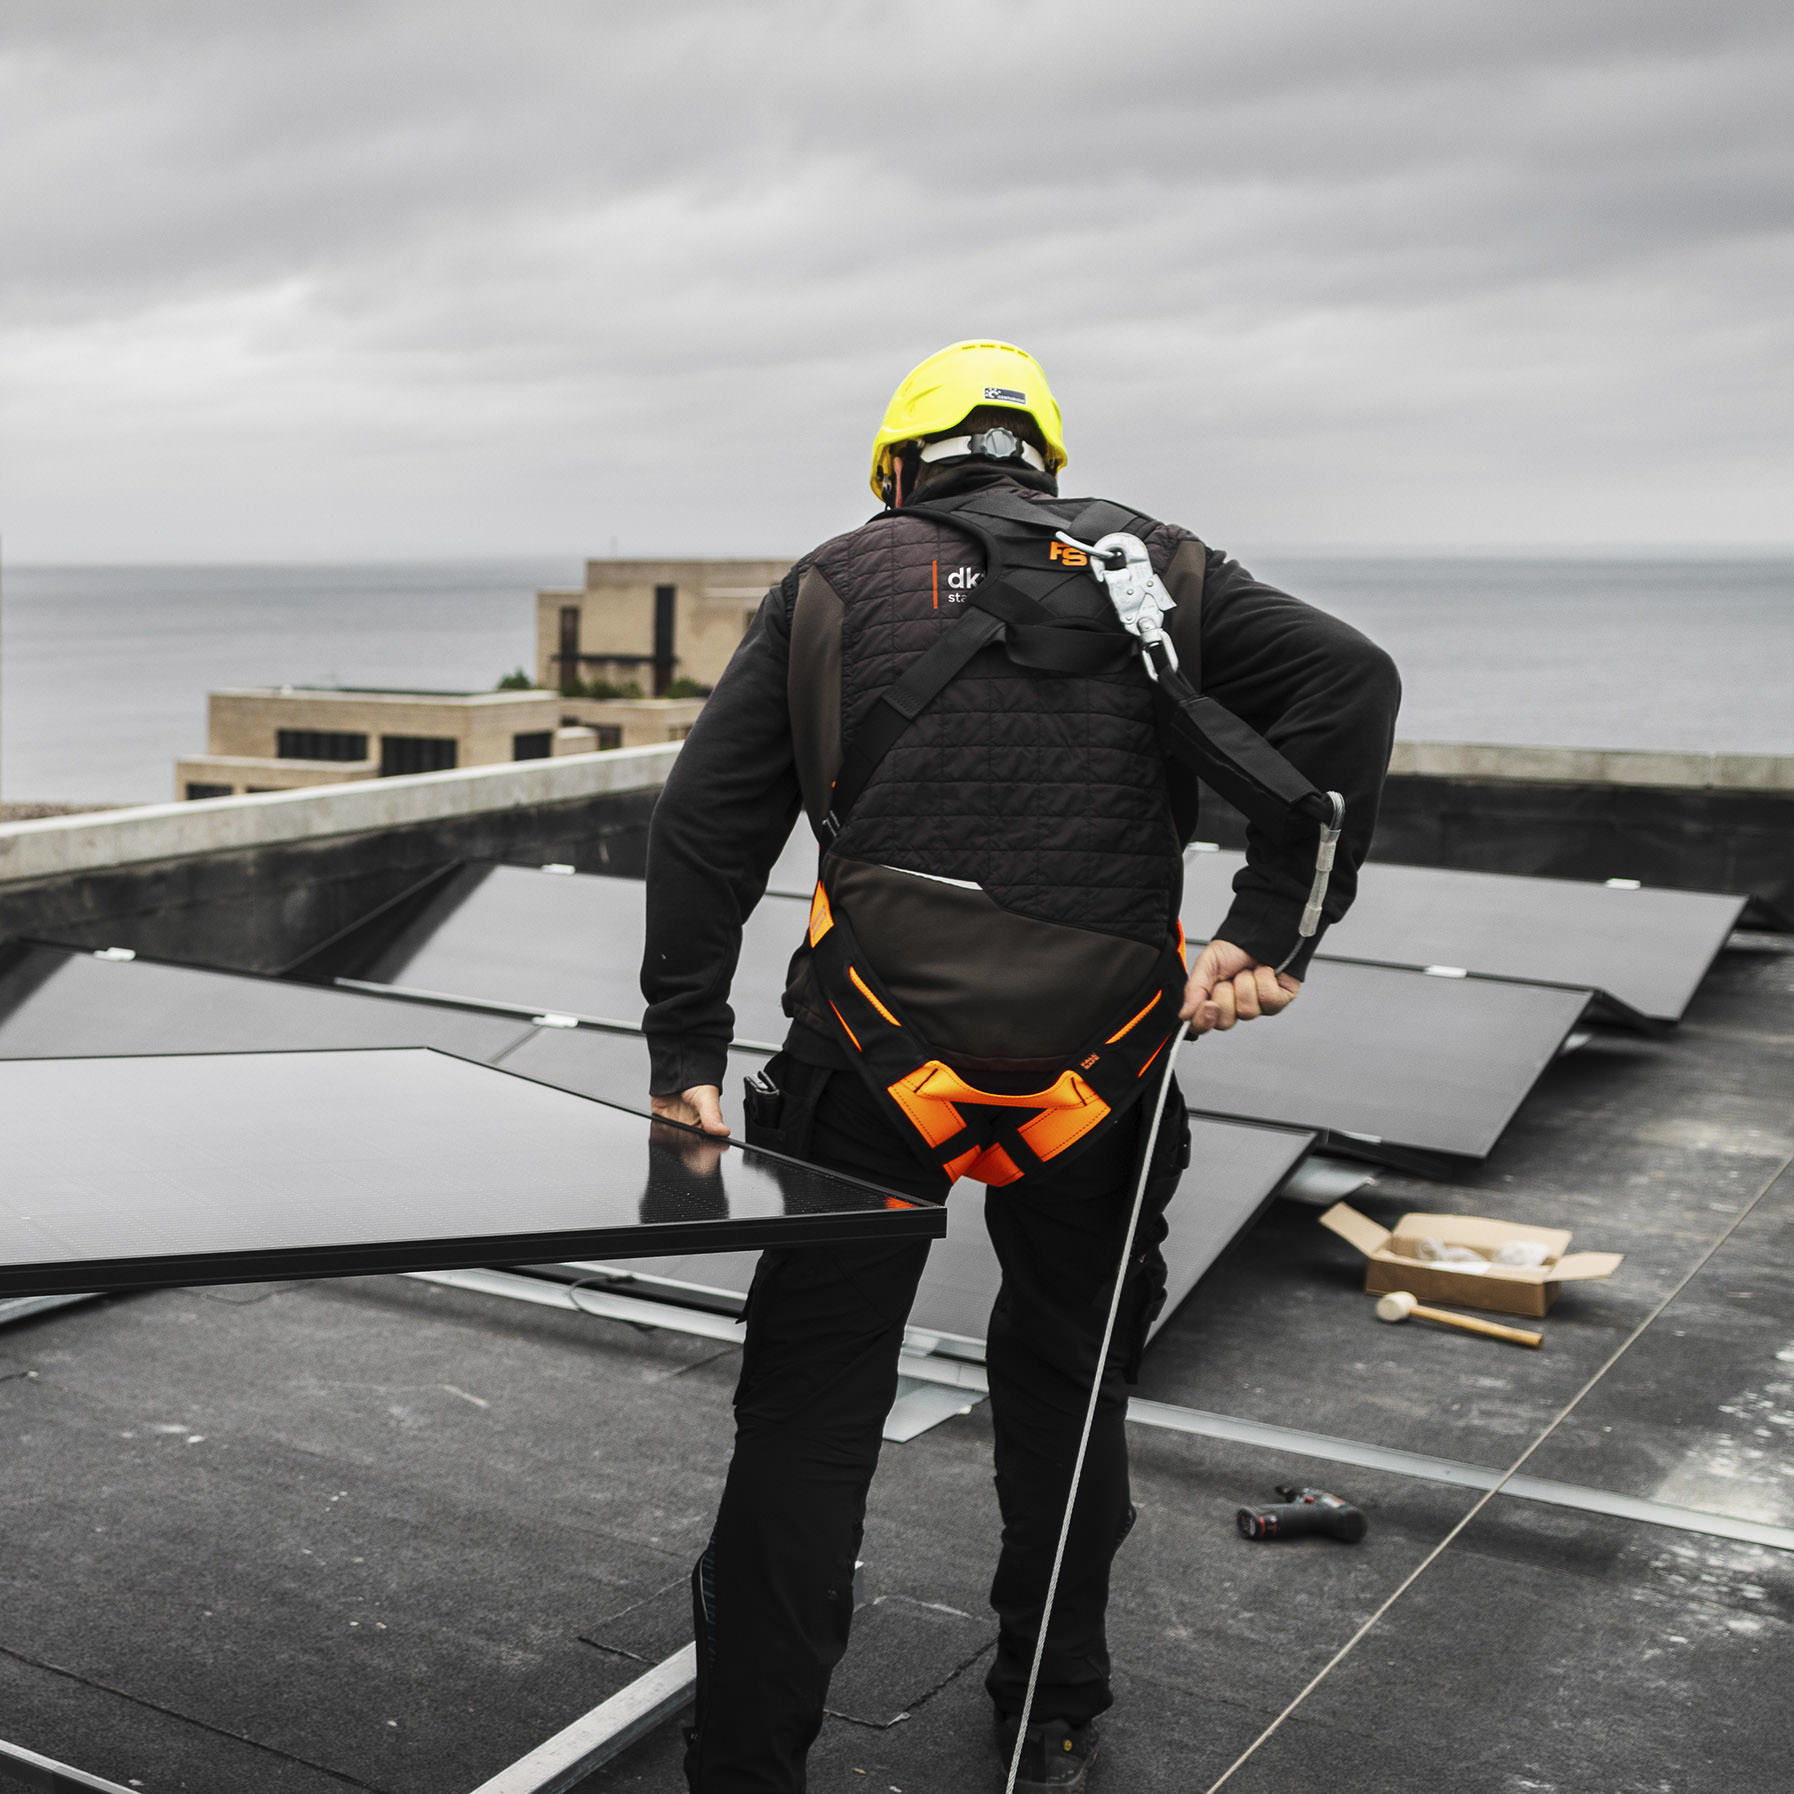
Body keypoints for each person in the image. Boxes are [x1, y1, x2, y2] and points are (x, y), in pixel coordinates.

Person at [643, 339, 1400, 1792]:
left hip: (865, 1062)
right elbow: (1350, 682)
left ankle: (748, 1762)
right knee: (1067, 1376)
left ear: (894, 469)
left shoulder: (827, 583)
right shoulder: (1162, 571)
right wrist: (1261, 928)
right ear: (1041, 459)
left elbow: (706, 826)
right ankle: (1051, 1700)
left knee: (811, 1409)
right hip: (1104, 1070)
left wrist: (683, 1039)